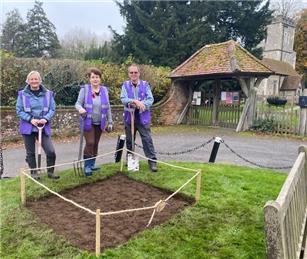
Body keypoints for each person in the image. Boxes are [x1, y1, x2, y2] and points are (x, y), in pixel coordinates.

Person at [16, 71, 59, 180]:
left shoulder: (48, 94)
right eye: (32, 79)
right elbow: (19, 110)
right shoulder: (22, 94)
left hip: (43, 127)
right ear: (28, 81)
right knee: (30, 152)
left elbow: (52, 109)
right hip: (28, 126)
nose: (34, 81)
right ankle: (34, 173)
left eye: (36, 79)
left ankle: (50, 172)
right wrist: (31, 119)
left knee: (51, 151)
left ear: (40, 80)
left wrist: (45, 118)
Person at [75, 67, 113, 176]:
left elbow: (108, 107)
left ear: (100, 78)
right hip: (88, 121)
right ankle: (86, 166)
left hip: (100, 122)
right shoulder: (85, 89)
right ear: (89, 79)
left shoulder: (104, 90)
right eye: (93, 77)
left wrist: (110, 122)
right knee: (90, 142)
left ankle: (92, 164)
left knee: (96, 143)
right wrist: (80, 109)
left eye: (97, 77)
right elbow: (77, 103)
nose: (95, 79)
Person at [120, 64, 158, 172]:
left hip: (142, 118)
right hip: (129, 118)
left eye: (135, 72)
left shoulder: (145, 85)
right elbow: (123, 99)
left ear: (139, 73)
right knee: (129, 140)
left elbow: (150, 99)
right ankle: (130, 160)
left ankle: (152, 162)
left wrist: (142, 104)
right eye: (131, 72)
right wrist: (134, 101)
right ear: (129, 74)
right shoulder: (125, 85)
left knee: (147, 140)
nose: (133, 74)